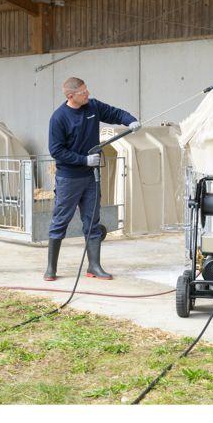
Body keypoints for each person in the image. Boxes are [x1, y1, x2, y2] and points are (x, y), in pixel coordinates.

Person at [44, 77, 141, 281]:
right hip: (69, 179)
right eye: (83, 92)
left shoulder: (93, 107)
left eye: (86, 89)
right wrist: (83, 160)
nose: (87, 94)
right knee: (60, 221)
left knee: (92, 221)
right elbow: (56, 150)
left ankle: (94, 266)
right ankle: (51, 268)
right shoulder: (59, 118)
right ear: (71, 96)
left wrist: (130, 120)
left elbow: (115, 113)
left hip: (91, 178)